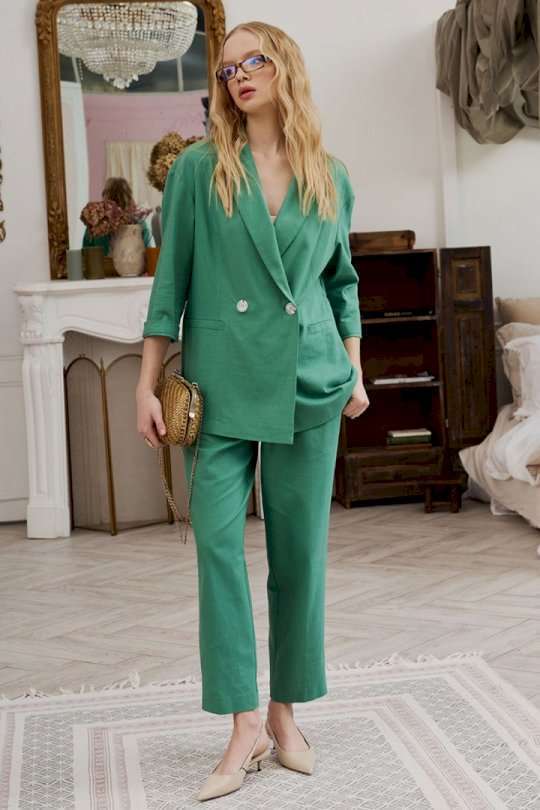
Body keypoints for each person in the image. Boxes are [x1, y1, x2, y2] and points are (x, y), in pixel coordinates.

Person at [136, 20, 369, 802]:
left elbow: (342, 283)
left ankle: (284, 714)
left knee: (299, 555)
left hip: (310, 378)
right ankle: (242, 722)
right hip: (221, 381)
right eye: (226, 68)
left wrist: (355, 369)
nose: (237, 75)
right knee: (216, 545)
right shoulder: (200, 170)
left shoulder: (329, 175)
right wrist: (146, 383)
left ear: (283, 68)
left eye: (252, 61)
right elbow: (170, 284)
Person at [82, 176, 154, 255]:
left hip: (101, 262)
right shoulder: (141, 225)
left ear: (105, 197)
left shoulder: (94, 225)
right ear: (129, 197)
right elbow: (149, 256)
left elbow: (85, 256)